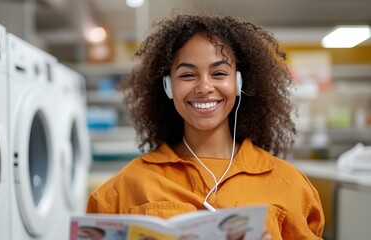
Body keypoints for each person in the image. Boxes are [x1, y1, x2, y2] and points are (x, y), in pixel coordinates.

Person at [86, 12, 325, 240]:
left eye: (219, 73)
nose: (204, 87)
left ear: (239, 82)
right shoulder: (123, 188)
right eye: (188, 75)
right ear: (168, 87)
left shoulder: (291, 186)